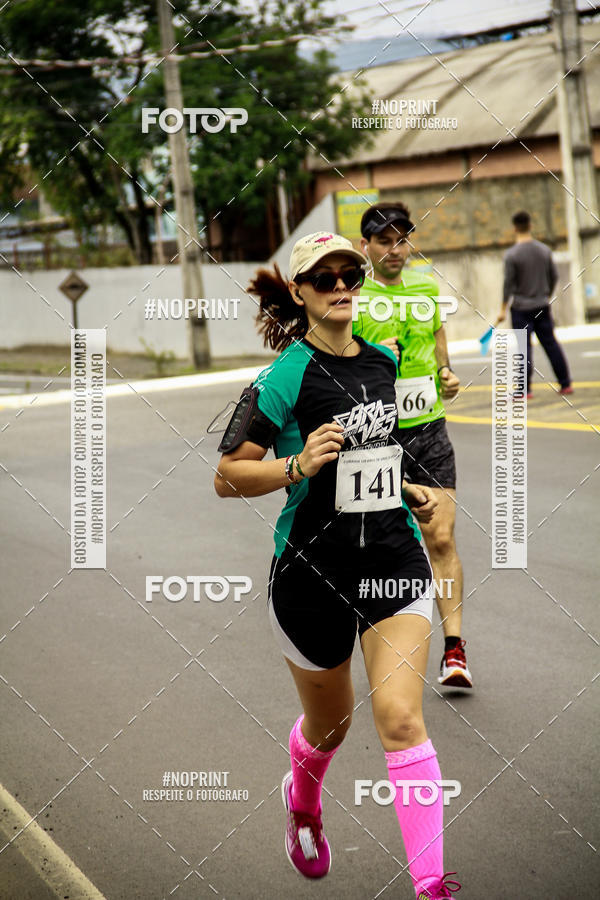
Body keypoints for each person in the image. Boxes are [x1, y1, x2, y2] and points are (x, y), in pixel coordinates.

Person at [214, 231, 461, 899]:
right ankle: (303, 800)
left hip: (393, 559)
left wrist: (414, 489)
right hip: (311, 577)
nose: (343, 285)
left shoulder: (382, 362)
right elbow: (226, 477)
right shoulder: (283, 378)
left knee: (403, 720)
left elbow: (385, 452)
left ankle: (431, 883)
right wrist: (297, 464)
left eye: (350, 273)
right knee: (332, 724)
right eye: (325, 278)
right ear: (300, 293)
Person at [355, 202, 472, 689]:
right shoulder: (353, 298)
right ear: (366, 247)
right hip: (376, 433)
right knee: (377, 547)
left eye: (401, 239)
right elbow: (339, 358)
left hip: (429, 429)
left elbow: (438, 333)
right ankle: (383, 640)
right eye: (384, 241)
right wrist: (380, 359)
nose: (395, 249)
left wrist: (445, 372)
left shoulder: (425, 289)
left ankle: (455, 651)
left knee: (440, 538)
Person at [497, 209, 572, 397]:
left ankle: (524, 389)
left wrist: (503, 309)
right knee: (550, 343)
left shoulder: (512, 255)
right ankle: (565, 384)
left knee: (523, 347)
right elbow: (554, 276)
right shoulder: (544, 250)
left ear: (515, 228)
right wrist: (545, 295)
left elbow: (508, 285)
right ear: (530, 225)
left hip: (521, 308)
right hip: (542, 306)